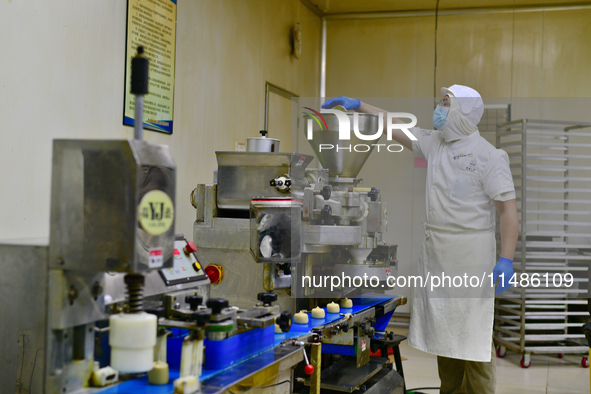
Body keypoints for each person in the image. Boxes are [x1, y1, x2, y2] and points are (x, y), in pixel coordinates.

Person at [322, 85, 519, 394]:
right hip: (438, 255)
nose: (438, 109)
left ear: (463, 113)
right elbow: (393, 125)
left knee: (474, 344)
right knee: (446, 339)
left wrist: (506, 258)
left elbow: (508, 211)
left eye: (445, 104)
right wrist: (360, 105)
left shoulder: (489, 156)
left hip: (471, 259)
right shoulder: (435, 143)